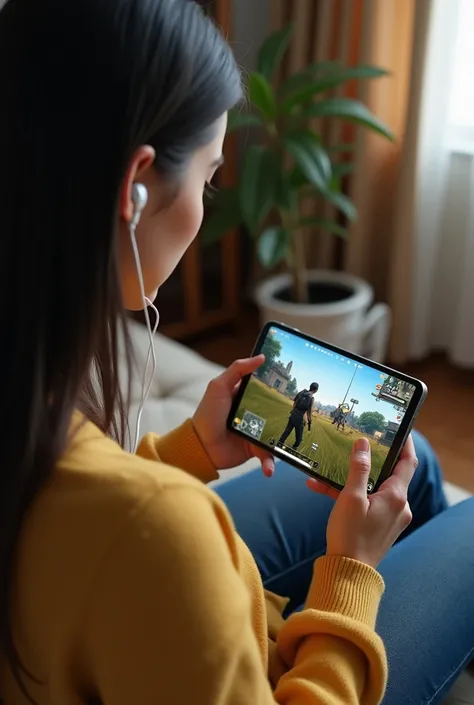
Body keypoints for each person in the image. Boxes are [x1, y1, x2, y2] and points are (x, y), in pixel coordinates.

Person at [1, 2, 473, 705]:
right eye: (210, 176)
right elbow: (119, 531)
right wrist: (350, 571)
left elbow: (62, 517)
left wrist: (189, 449)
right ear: (134, 186)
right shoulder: (162, 532)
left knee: (414, 461)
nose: (209, 198)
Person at [278, 382, 319, 449]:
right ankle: (292, 450)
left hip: (293, 415)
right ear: (316, 390)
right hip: (299, 419)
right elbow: (309, 413)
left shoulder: (302, 392)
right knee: (299, 439)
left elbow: (295, 401)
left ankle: (278, 445)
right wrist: (309, 424)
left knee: (286, 432)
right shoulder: (311, 398)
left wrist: (293, 410)